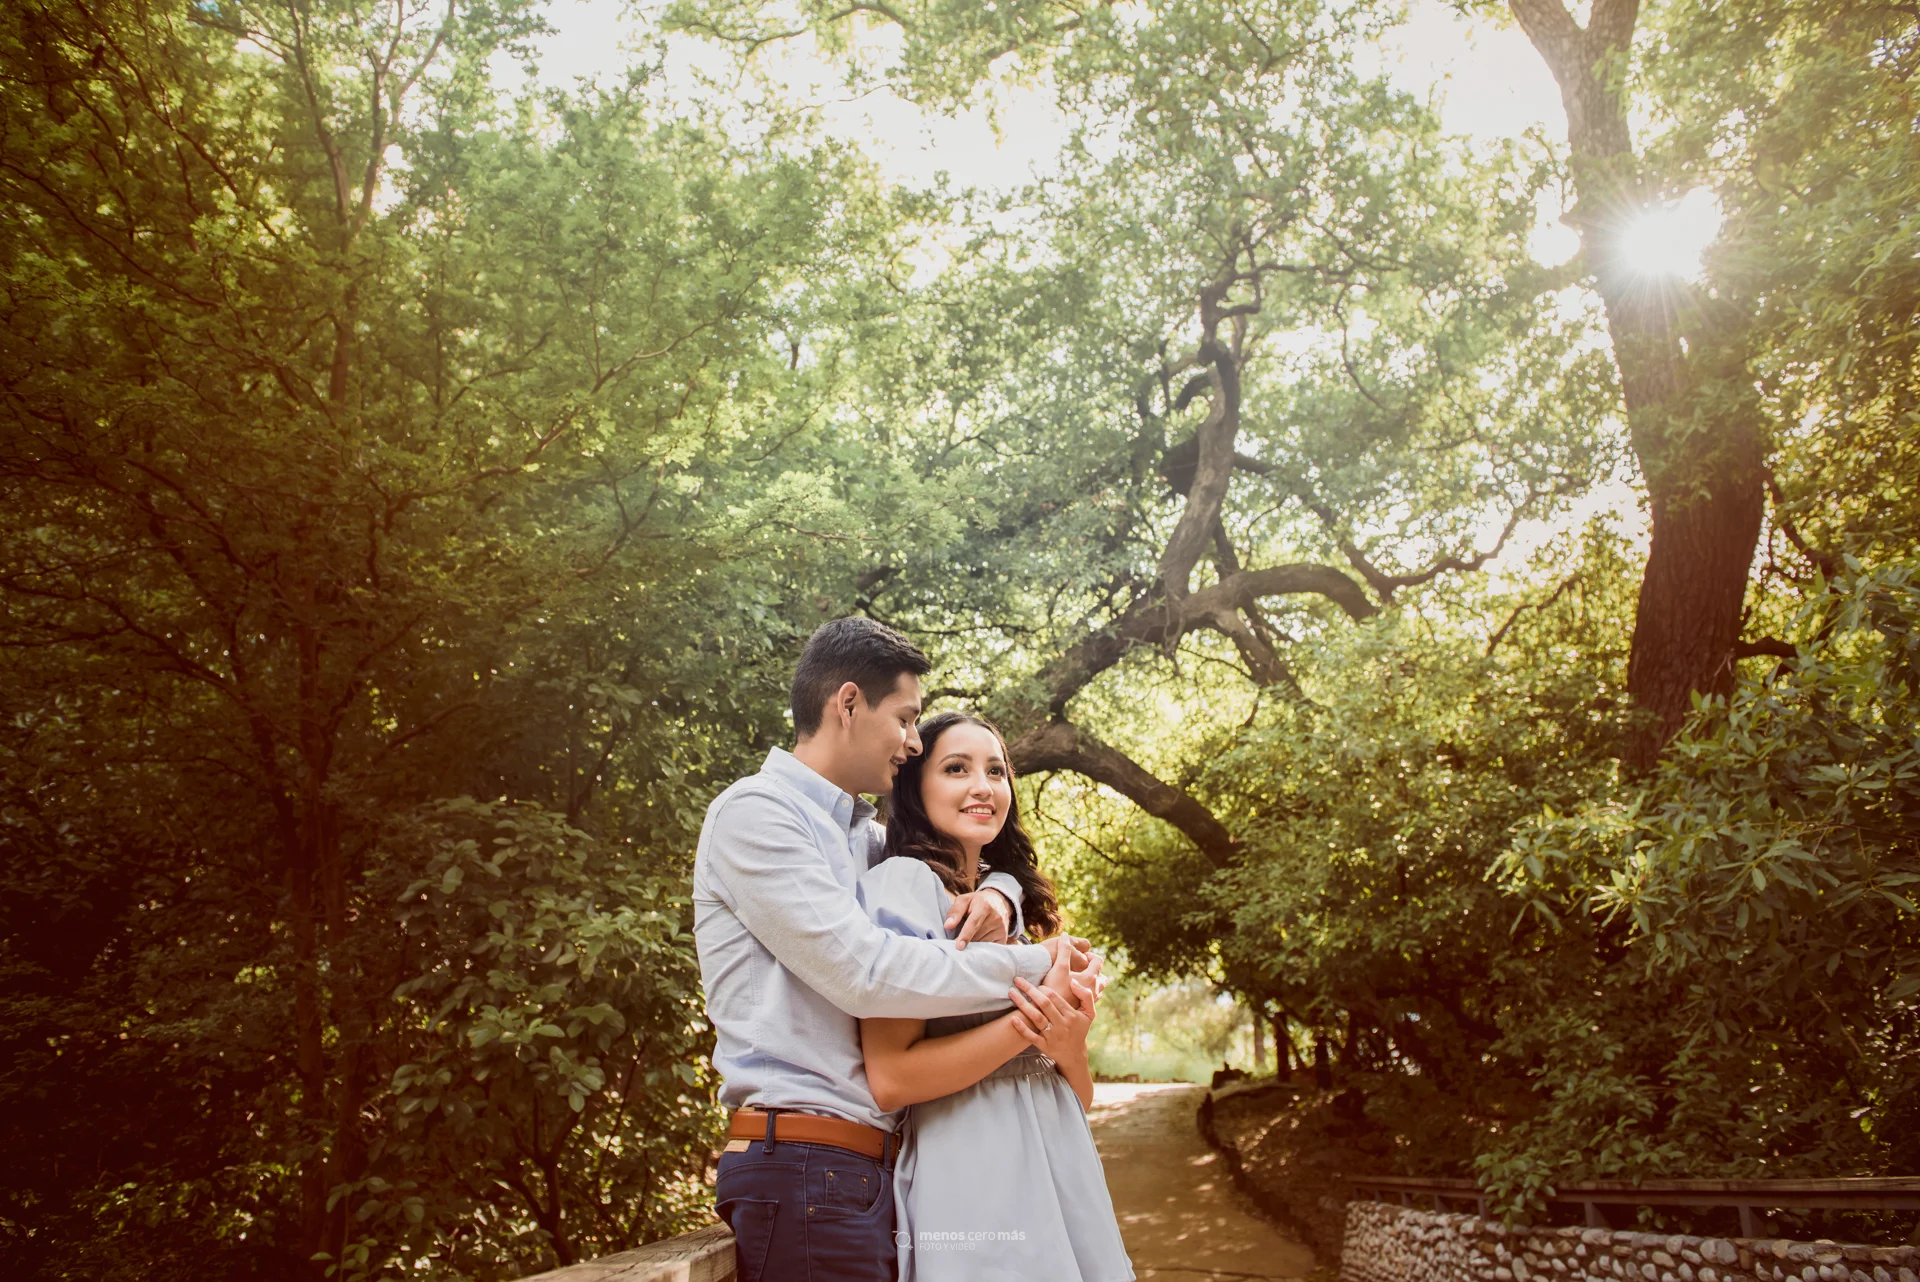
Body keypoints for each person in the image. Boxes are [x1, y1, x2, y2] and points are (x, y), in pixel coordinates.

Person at [693, 617, 1096, 1282]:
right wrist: (1038, 967)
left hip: (870, 1169)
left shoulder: (868, 841)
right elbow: (867, 973)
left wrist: (1000, 895)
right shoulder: (757, 815)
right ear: (847, 704)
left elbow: (954, 859)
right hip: (801, 1162)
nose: (911, 744)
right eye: (906, 720)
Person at [859, 711, 1134, 1282]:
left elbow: (1073, 1097)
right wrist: (1030, 1022)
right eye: (956, 769)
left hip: (1064, 1166)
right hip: (973, 1168)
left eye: (996, 771)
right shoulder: (903, 885)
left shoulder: (1009, 908)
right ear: (915, 785)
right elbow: (891, 1078)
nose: (983, 787)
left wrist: (1069, 1042)